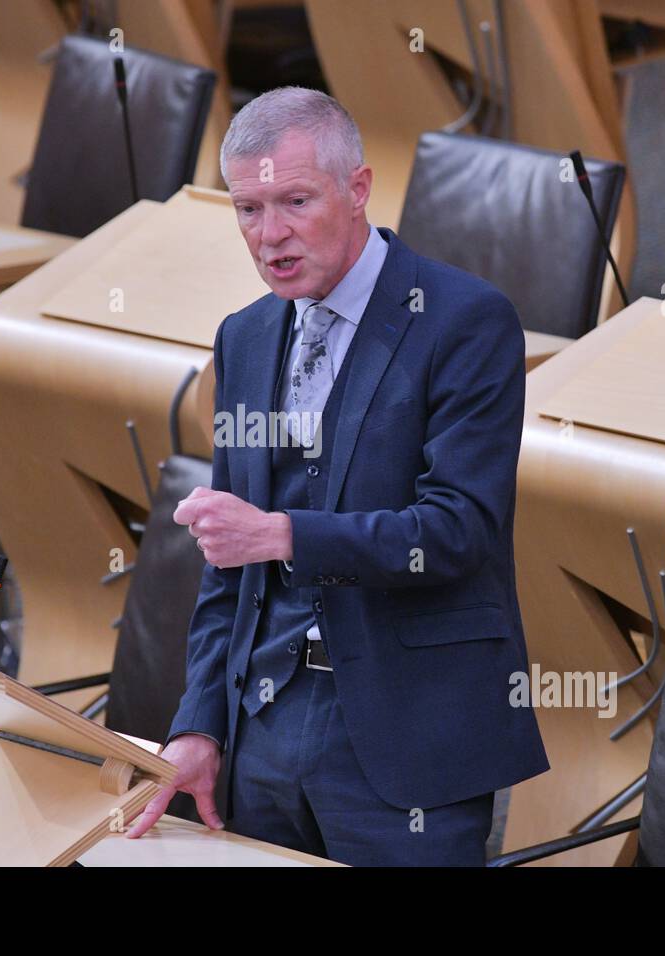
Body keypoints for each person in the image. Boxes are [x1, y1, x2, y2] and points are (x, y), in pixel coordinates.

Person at [127, 86, 548, 865]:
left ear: (357, 190)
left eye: (294, 201)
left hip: (407, 730)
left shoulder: (465, 321)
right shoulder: (245, 337)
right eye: (248, 210)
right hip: (264, 724)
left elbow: (457, 531)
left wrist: (283, 534)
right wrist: (199, 722)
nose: (270, 235)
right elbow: (228, 562)